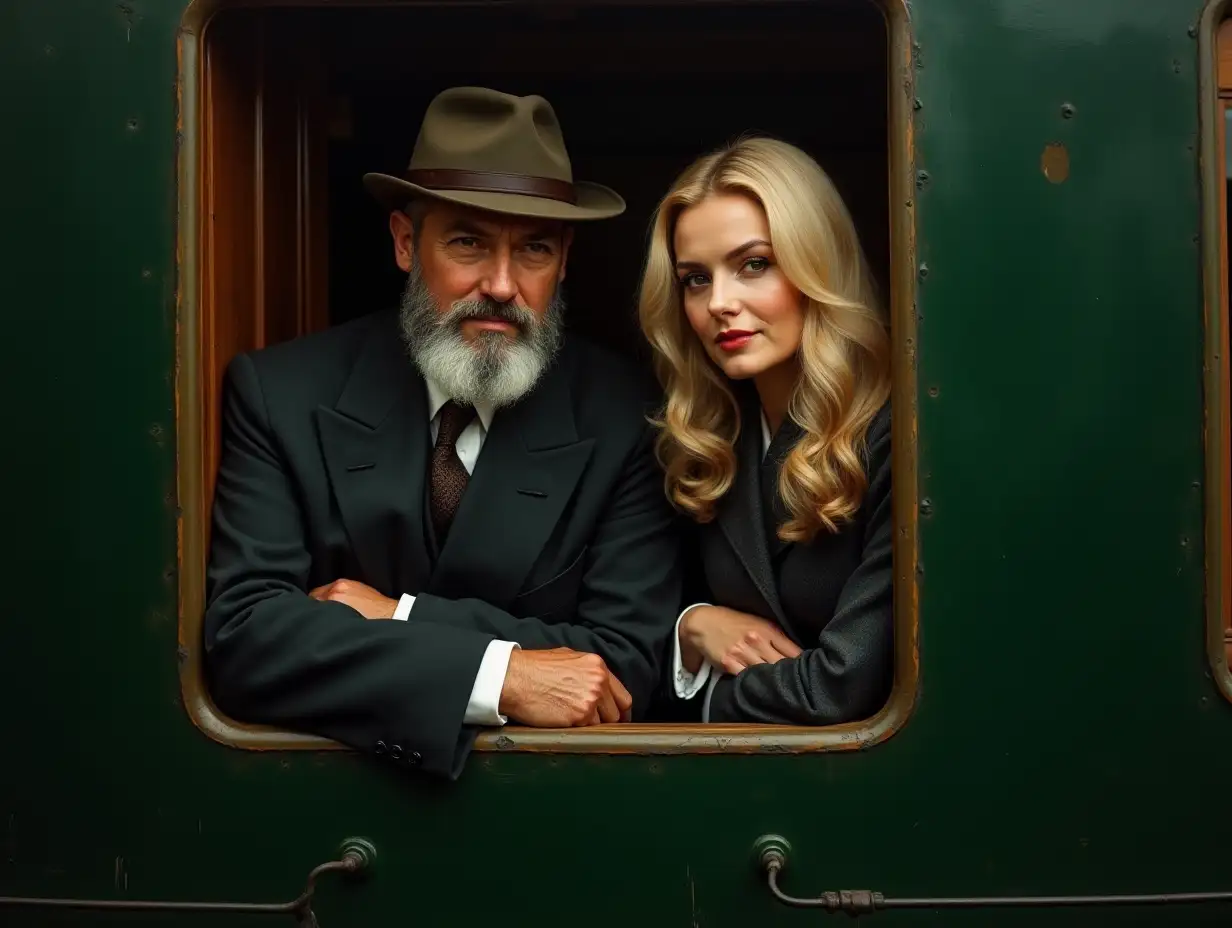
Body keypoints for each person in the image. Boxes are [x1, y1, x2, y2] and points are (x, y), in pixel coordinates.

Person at [203, 86, 682, 779]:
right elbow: (246, 636)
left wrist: (394, 614)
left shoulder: (626, 413)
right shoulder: (280, 393)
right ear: (405, 242)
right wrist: (500, 675)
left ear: (566, 259)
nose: (501, 284)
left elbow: (624, 664)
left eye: (535, 249)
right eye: (468, 241)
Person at [637, 136, 893, 725]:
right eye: (695, 279)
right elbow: (624, 632)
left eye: (754, 264)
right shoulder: (700, 437)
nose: (719, 302)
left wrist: (699, 701)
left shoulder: (893, 435)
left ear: (816, 265)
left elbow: (842, 687)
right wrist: (692, 625)